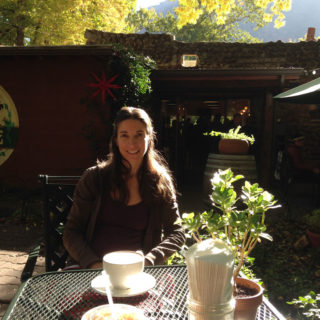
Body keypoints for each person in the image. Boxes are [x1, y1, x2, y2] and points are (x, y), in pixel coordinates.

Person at [63, 106, 185, 269]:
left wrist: (149, 260)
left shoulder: (160, 182)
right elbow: (71, 232)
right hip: (88, 269)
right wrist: (93, 263)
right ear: (116, 140)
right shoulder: (95, 178)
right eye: (124, 135)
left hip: (136, 274)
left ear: (149, 138)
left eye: (139, 135)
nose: (132, 143)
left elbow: (177, 232)